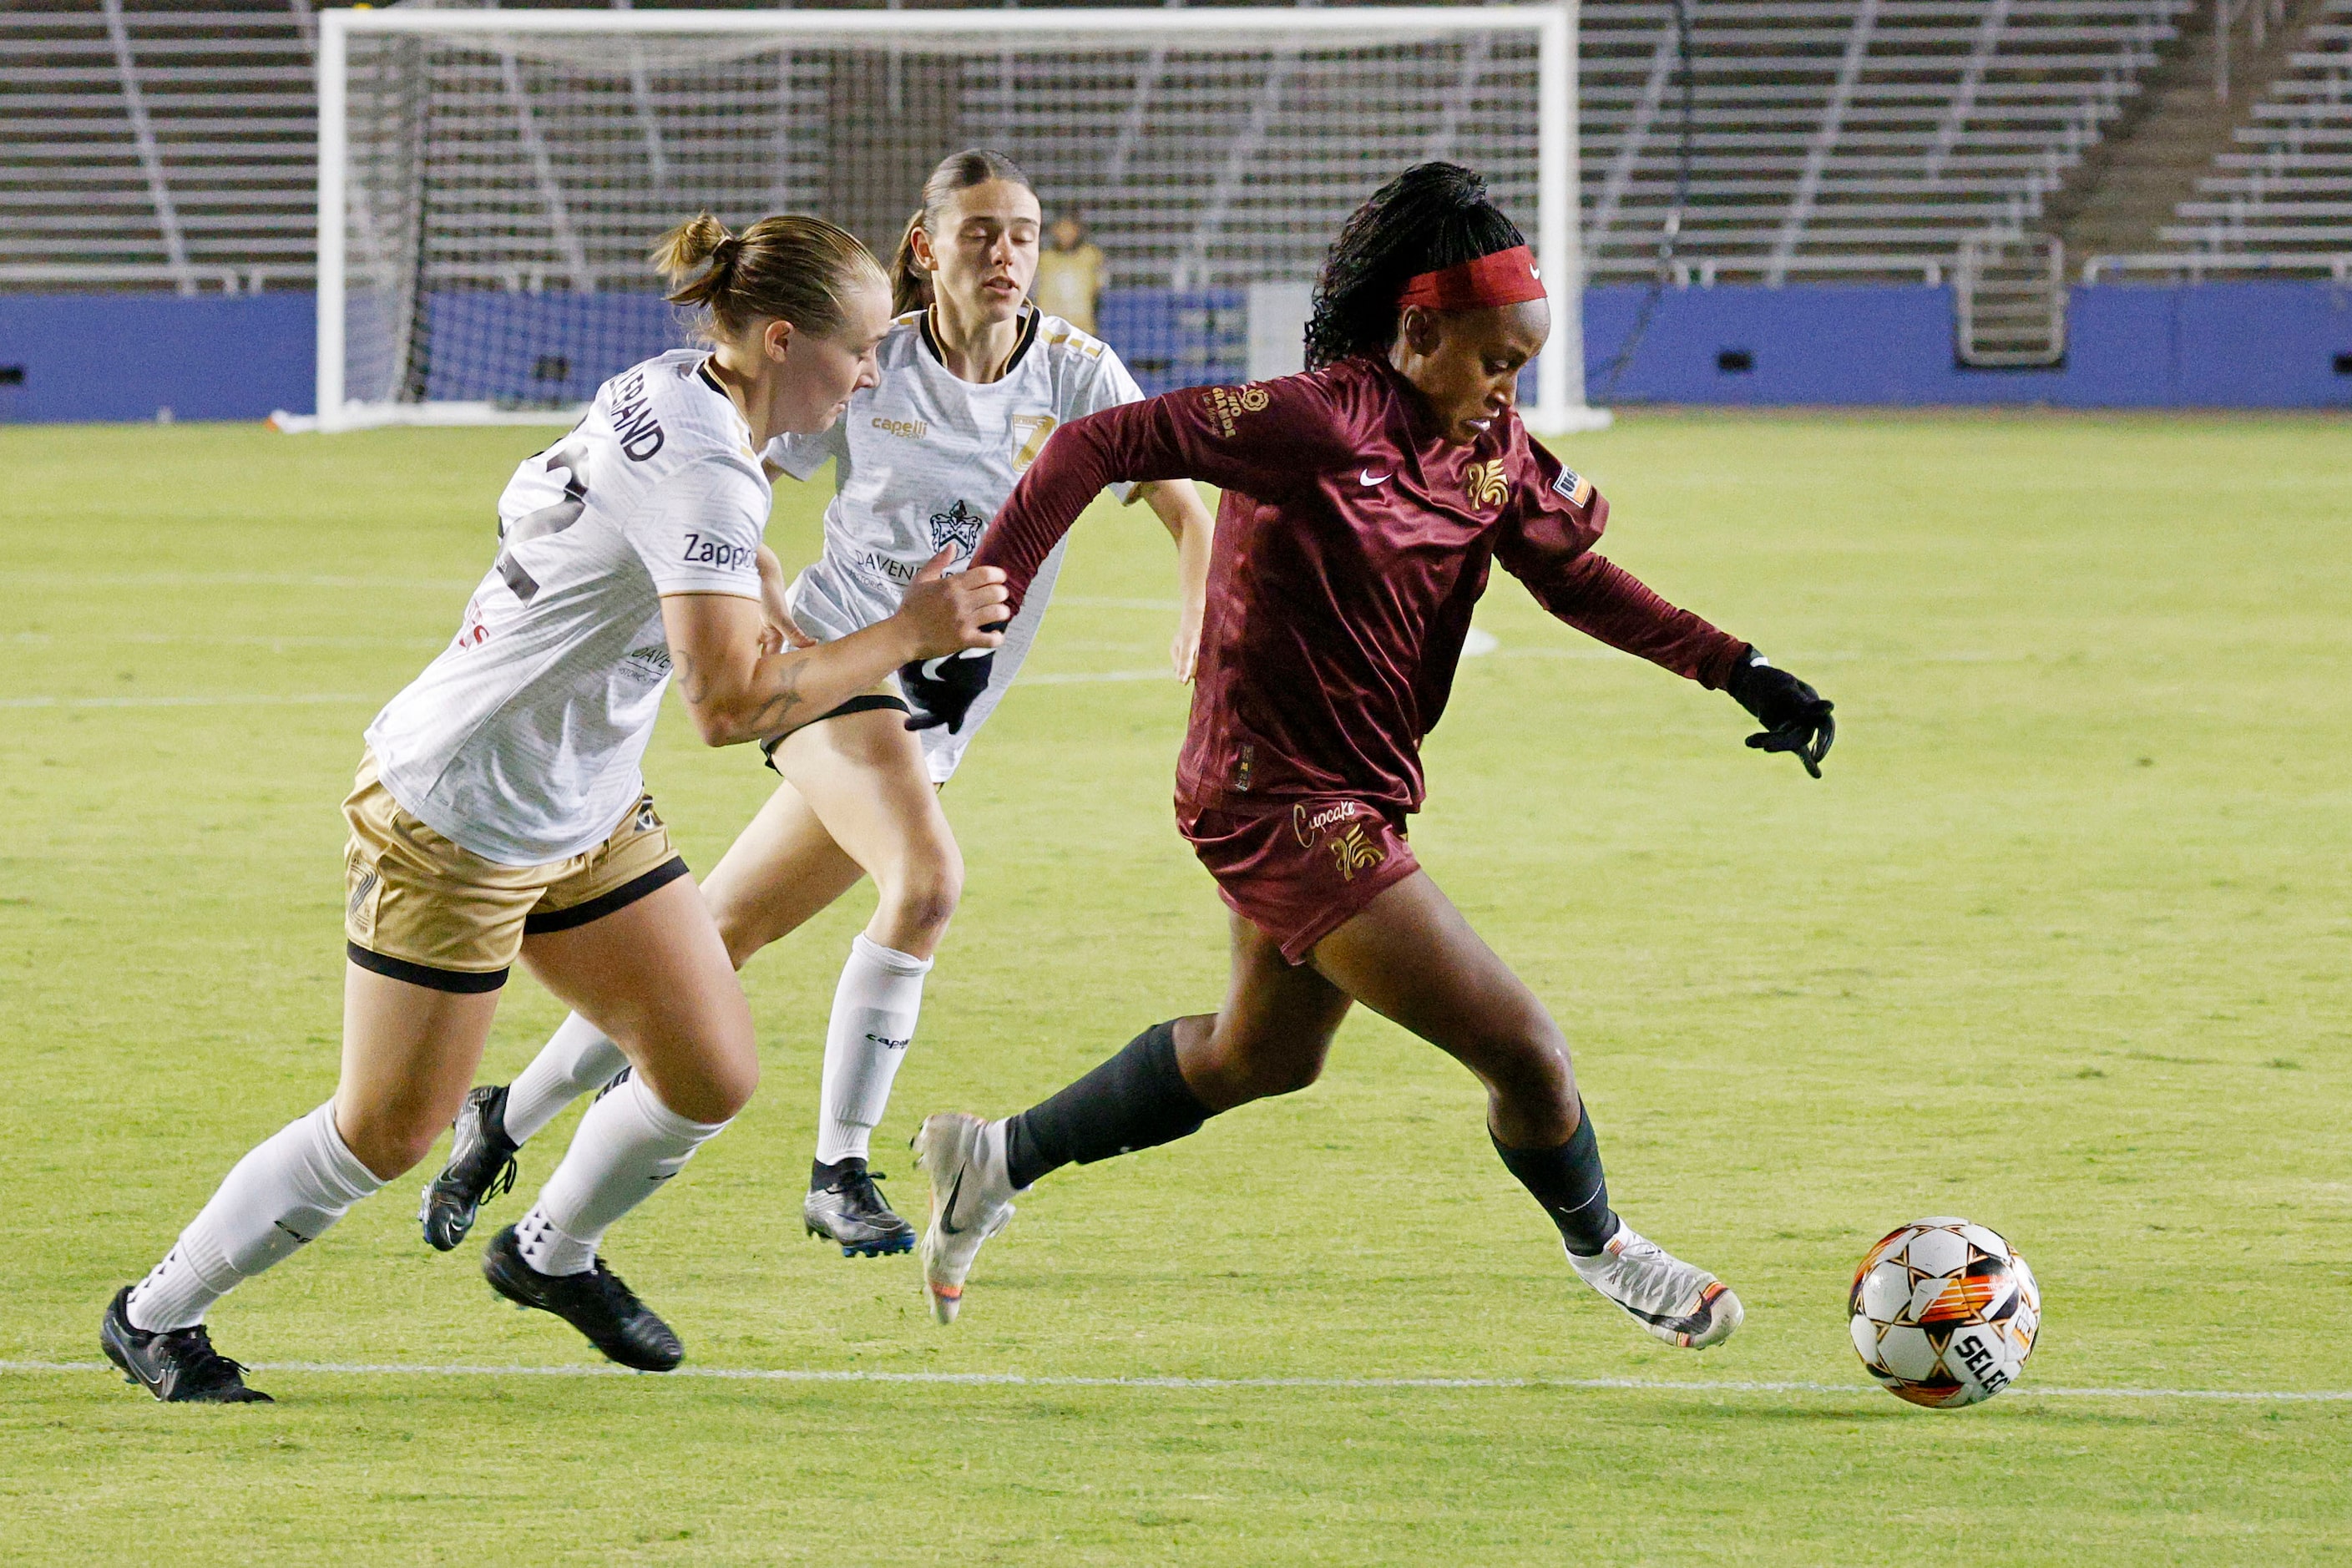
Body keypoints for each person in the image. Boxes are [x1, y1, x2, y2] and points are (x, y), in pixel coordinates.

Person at [897, 163, 1837, 1344]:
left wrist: (1735, 664)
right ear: (1418, 330)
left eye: (1522, 365)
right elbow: (1094, 442)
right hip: (1274, 798)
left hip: (1358, 790)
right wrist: (987, 605)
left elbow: (1570, 574)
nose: (1509, 390)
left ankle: (992, 1160)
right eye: (1497, 361)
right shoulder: (1315, 423)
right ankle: (1607, 1248)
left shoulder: (1484, 446)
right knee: (1527, 1052)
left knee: (1261, 1055)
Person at [98, 213, 1009, 1402]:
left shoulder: (688, 390)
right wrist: (907, 635)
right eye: (861, 349)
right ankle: (154, 1313)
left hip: (577, 802)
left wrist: (786, 602)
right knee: (386, 1131)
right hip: (457, 812)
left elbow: (698, 564)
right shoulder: (706, 466)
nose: (875, 371)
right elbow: (728, 707)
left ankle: (549, 1252)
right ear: (784, 341)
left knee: (707, 1070)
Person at [417, 150, 1213, 1262]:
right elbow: (728, 475)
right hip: (841, 667)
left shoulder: (1077, 372)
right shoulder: (866, 364)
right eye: (981, 232)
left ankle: (503, 1117)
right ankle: (839, 1166)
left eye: (1024, 232)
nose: (1008, 254)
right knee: (927, 881)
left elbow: (1185, 506)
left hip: (939, 708)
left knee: (718, 934)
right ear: (926, 244)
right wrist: (766, 597)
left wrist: (1197, 611)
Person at [1032, 215, 1105, 333]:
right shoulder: (1043, 259)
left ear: (1077, 230)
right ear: (1054, 230)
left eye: (1069, 228)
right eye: (1061, 228)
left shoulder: (1091, 256)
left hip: (1082, 329)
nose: (1065, 233)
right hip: (1050, 330)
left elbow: (1098, 292)